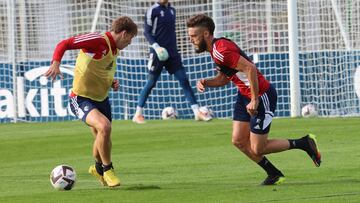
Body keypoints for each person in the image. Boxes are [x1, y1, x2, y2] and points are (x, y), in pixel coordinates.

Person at [186, 14, 321, 185]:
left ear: (206, 34)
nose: (191, 40)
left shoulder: (221, 50)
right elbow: (224, 78)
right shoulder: (216, 50)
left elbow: (250, 68)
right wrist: (206, 82)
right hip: (244, 95)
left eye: (193, 36)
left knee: (258, 147)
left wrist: (255, 99)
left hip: (261, 95)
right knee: (238, 141)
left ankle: (304, 143)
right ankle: (274, 173)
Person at [44, 16, 138, 187]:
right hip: (80, 98)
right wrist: (55, 63)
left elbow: (99, 70)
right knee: (104, 127)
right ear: (124, 33)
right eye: (131, 38)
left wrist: (111, 82)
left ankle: (97, 168)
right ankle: (108, 169)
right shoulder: (97, 40)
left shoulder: (114, 50)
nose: (130, 43)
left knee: (102, 139)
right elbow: (64, 43)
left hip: (102, 100)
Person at [132, 0, 212, 124]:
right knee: (151, 82)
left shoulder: (172, 10)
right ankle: (138, 114)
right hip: (158, 52)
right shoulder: (152, 10)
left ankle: (197, 112)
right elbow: (147, 32)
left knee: (184, 80)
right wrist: (157, 47)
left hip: (172, 53)